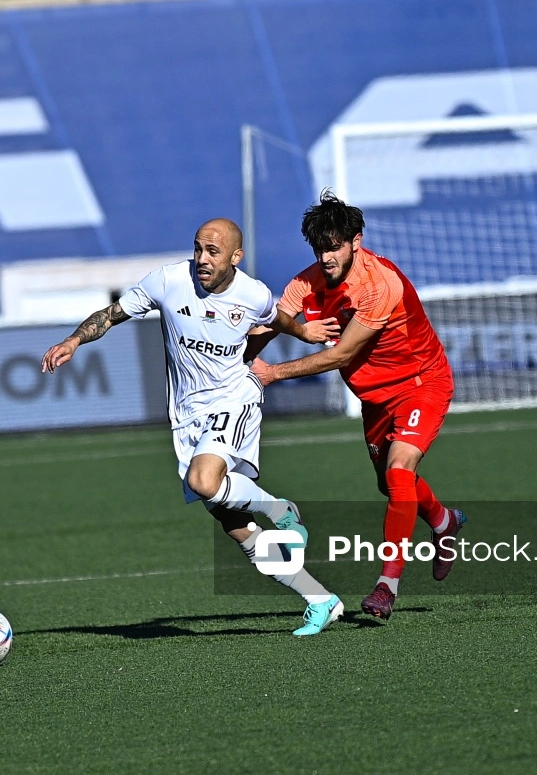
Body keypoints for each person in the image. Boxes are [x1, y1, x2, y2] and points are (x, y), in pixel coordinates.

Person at [41, 218, 343, 636]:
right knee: (236, 526)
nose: (202, 259)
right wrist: (73, 340)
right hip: (186, 417)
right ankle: (320, 599)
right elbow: (110, 315)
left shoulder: (251, 293)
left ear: (236, 257)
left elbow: (276, 318)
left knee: (204, 481)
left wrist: (305, 330)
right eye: (198, 248)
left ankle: (281, 509)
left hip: (234, 398)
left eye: (213, 252)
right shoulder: (168, 281)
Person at [249, 192, 466, 620]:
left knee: (399, 471)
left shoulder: (379, 284)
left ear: (355, 241)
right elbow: (270, 326)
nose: (326, 257)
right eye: (319, 248)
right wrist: (227, 360)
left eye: (334, 246)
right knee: (391, 486)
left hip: (421, 383)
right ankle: (444, 522)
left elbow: (341, 355)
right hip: (374, 398)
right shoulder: (304, 283)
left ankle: (387, 586)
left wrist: (272, 373)